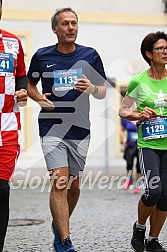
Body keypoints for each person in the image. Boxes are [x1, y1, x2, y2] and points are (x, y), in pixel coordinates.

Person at [27, 7, 106, 252]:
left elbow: (103, 91)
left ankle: (60, 224)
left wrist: (91, 88)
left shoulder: (90, 55)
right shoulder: (42, 56)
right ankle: (65, 240)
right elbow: (30, 84)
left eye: (74, 23)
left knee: (73, 186)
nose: (70, 27)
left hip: (80, 128)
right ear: (55, 29)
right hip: (51, 126)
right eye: (65, 24)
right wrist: (40, 99)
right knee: (60, 182)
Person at [119, 31, 167, 252]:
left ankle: (153, 239)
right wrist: (139, 115)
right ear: (149, 53)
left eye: (166, 48)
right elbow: (123, 110)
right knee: (153, 192)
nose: (165, 51)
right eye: (160, 48)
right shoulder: (139, 80)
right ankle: (139, 227)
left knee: (166, 196)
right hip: (149, 144)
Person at [0, 0, 28, 251]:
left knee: (1, 189)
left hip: (7, 125)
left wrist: (22, 91)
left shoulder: (12, 41)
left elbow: (21, 76)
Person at [120, 118, 141, 194]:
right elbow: (121, 130)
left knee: (139, 167)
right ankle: (129, 180)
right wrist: (124, 139)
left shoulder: (142, 118)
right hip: (130, 145)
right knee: (129, 164)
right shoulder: (126, 119)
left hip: (140, 145)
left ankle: (137, 185)